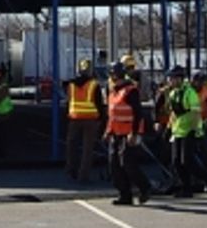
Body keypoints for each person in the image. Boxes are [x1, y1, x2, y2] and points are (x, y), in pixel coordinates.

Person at [105, 62, 151, 206]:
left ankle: (145, 187)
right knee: (114, 165)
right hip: (116, 133)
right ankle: (125, 194)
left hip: (129, 133)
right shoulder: (112, 92)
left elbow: (138, 114)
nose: (113, 78)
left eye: (114, 74)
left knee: (128, 164)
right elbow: (112, 115)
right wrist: (108, 131)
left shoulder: (130, 91)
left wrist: (135, 133)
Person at [163, 66, 201, 197]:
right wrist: (168, 128)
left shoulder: (190, 93)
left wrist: (194, 129)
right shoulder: (173, 93)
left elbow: (196, 112)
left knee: (186, 160)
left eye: (172, 78)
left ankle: (200, 181)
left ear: (179, 79)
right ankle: (185, 186)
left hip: (189, 130)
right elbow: (174, 113)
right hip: (178, 130)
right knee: (176, 161)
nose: (170, 81)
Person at [64, 59, 104, 183]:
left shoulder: (71, 85)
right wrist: (101, 118)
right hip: (91, 119)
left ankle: (71, 170)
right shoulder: (94, 85)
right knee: (88, 149)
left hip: (74, 118)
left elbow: (68, 101)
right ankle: (83, 176)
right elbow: (99, 103)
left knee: (71, 146)